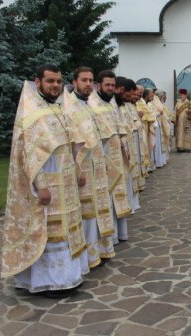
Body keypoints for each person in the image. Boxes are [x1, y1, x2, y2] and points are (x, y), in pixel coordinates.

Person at [1, 64, 88, 298]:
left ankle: (67, 277)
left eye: (59, 82)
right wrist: (41, 186)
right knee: (49, 232)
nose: (56, 86)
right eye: (50, 81)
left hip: (65, 179)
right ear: (37, 82)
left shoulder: (57, 108)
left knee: (65, 230)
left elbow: (71, 141)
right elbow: (30, 154)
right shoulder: (31, 111)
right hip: (47, 183)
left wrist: (77, 168)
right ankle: (49, 282)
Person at [62, 66, 116, 270]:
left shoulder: (88, 105)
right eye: (83, 80)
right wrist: (77, 168)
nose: (88, 84)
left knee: (96, 209)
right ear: (75, 82)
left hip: (96, 165)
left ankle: (98, 250)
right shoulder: (69, 107)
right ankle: (86, 256)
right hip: (82, 168)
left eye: (90, 80)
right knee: (85, 213)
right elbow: (71, 141)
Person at [88, 70, 132, 244]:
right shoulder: (93, 104)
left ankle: (116, 234)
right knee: (105, 197)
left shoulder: (110, 103)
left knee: (115, 195)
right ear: (98, 85)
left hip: (115, 155)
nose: (110, 88)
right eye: (107, 85)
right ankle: (108, 238)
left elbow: (117, 127)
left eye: (113, 85)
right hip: (102, 158)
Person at [115, 77, 141, 214]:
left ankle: (130, 203)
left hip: (127, 143)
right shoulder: (114, 105)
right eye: (129, 94)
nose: (131, 97)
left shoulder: (123, 105)